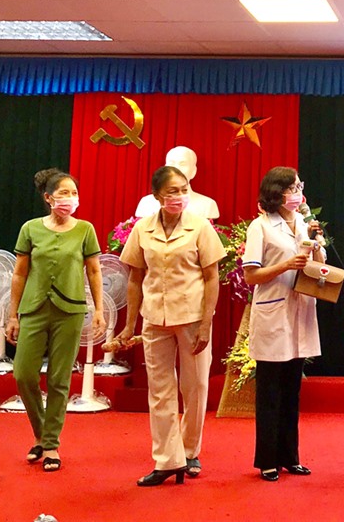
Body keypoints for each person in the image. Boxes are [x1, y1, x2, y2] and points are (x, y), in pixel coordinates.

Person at [116, 165, 226, 486]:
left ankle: (190, 450)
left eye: (183, 190)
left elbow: (212, 277)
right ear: (157, 196)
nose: (179, 196)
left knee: (195, 387)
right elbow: (135, 278)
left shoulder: (200, 226)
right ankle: (167, 460)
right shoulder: (142, 228)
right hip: (154, 318)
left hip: (192, 318)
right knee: (160, 390)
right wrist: (129, 325)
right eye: (172, 191)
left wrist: (206, 322)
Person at [6, 168, 105, 472]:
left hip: (70, 311)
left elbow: (94, 271)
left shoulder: (85, 229)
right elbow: (20, 273)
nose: (70, 198)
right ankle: (40, 432)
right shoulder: (30, 229)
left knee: (59, 379)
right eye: (64, 193)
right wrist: (12, 314)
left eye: (74, 193)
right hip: (34, 309)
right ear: (48, 198)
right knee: (23, 374)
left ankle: (50, 444)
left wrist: (99, 310)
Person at [242, 166, 324, 482]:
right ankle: (267, 459)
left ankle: (290, 457)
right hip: (273, 311)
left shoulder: (303, 224)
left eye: (299, 186)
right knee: (270, 391)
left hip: (300, 311)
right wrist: (286, 265)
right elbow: (251, 275)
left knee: (292, 390)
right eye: (292, 188)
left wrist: (317, 244)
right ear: (277, 193)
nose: (298, 193)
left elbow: (318, 266)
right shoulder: (261, 226)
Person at [135, 146, 220, 219]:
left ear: (193, 171)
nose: (176, 168)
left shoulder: (208, 205)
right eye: (172, 163)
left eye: (182, 164)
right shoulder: (146, 203)